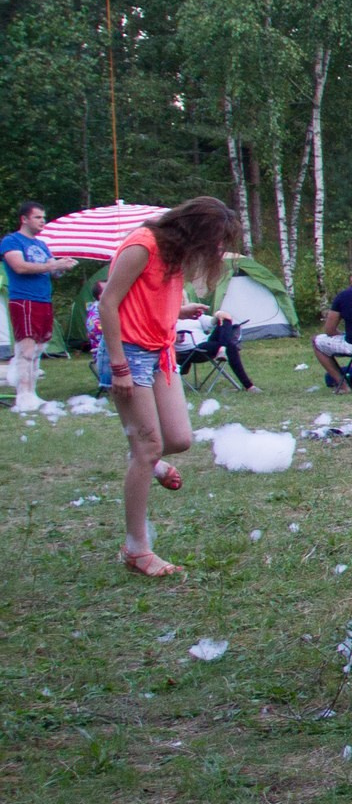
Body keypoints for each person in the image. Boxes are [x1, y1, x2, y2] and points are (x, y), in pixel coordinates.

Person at [95, 197, 242, 578]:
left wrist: (182, 312)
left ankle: (150, 459)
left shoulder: (174, 255)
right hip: (128, 353)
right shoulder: (143, 244)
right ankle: (136, 549)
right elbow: (109, 304)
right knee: (147, 448)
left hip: (160, 351)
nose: (216, 250)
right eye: (214, 242)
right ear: (194, 231)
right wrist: (118, 367)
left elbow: (147, 299)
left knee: (177, 439)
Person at [5, 201, 79, 411]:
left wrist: (62, 266)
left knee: (38, 348)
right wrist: (53, 264)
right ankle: (23, 395)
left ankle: (32, 393)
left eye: (43, 217)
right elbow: (19, 267)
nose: (42, 221)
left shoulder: (41, 244)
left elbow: (52, 271)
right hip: (24, 299)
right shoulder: (12, 241)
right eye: (38, 217)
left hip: (43, 300)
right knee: (26, 348)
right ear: (24, 219)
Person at [314, 262, 352, 390]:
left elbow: (329, 329)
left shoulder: (344, 296)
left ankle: (343, 385)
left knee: (316, 341)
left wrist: (342, 334)